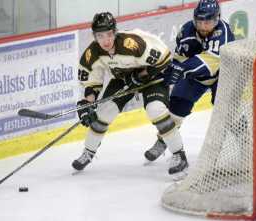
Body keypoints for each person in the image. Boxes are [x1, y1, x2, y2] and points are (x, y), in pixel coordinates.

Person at [72, 12, 188, 175]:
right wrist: (87, 103)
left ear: (115, 32)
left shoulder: (132, 43)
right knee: (104, 112)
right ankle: (88, 152)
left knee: (156, 110)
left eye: (109, 34)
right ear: (94, 36)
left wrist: (141, 75)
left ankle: (179, 155)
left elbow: (164, 59)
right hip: (123, 79)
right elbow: (93, 83)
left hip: (152, 76)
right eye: (100, 36)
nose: (105, 40)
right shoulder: (92, 54)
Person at [147, 0, 235, 162]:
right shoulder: (187, 30)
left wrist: (183, 69)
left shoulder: (223, 32)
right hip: (195, 76)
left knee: (227, 113)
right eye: (199, 21)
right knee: (177, 106)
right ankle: (163, 140)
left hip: (224, 74)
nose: (202, 26)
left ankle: (243, 136)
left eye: (207, 22)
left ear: (216, 19)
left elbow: (212, 61)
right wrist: (171, 70)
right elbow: (179, 58)